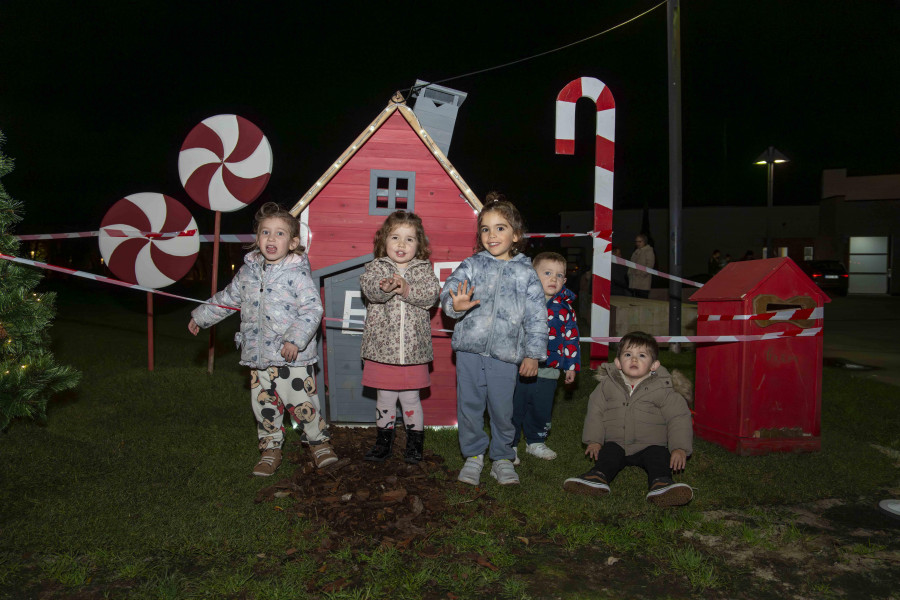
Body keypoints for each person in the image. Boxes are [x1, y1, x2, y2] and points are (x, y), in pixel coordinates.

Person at [188, 202, 337, 476]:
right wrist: (201, 316)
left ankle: (318, 442)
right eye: (265, 232)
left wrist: (295, 339)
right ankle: (270, 448)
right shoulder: (247, 272)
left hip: (290, 357)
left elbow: (312, 309)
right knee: (265, 404)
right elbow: (228, 298)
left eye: (280, 234)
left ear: (292, 243)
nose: (271, 238)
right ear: (257, 238)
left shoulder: (297, 274)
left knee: (302, 402)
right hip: (257, 357)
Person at [440, 192, 547, 486]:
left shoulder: (526, 273)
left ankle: (502, 457)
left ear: (516, 235)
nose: (492, 235)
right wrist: (454, 304)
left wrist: (533, 354)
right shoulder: (473, 265)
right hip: (470, 352)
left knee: (502, 410)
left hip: (505, 356)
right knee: (470, 407)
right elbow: (450, 289)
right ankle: (474, 456)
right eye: (485, 229)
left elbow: (537, 317)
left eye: (500, 227)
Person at [563, 331, 694, 506]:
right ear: (618, 362)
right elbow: (596, 411)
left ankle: (662, 484)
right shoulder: (607, 386)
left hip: (651, 443)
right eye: (627, 354)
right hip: (617, 442)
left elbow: (678, 417)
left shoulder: (663, 388)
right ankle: (597, 478)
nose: (634, 360)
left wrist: (679, 448)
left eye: (641, 355)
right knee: (609, 454)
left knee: (658, 457)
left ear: (654, 365)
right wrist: (594, 440)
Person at [359, 211, 440, 464]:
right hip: (382, 351)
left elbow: (431, 295)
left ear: (420, 245)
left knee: (410, 398)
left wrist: (406, 289)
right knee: (385, 398)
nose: (402, 244)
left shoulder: (424, 270)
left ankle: (415, 445)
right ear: (384, 241)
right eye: (395, 237)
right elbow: (370, 290)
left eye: (409, 239)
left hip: (413, 352)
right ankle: (384, 444)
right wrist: (384, 289)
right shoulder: (375, 268)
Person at [511, 252, 580, 463]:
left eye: (559, 275)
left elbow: (571, 337)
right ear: (533, 275)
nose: (553, 279)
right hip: (519, 366)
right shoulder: (521, 301)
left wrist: (571, 366)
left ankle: (536, 442)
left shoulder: (566, 308)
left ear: (565, 281)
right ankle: (509, 444)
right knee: (514, 405)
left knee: (541, 406)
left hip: (549, 368)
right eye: (548, 273)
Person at [628, 234, 655, 299]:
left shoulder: (648, 251)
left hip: (643, 283)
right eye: (636, 241)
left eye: (640, 241)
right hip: (633, 282)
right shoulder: (636, 251)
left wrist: (642, 274)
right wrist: (629, 273)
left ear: (644, 242)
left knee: (642, 302)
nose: (637, 243)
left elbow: (650, 265)